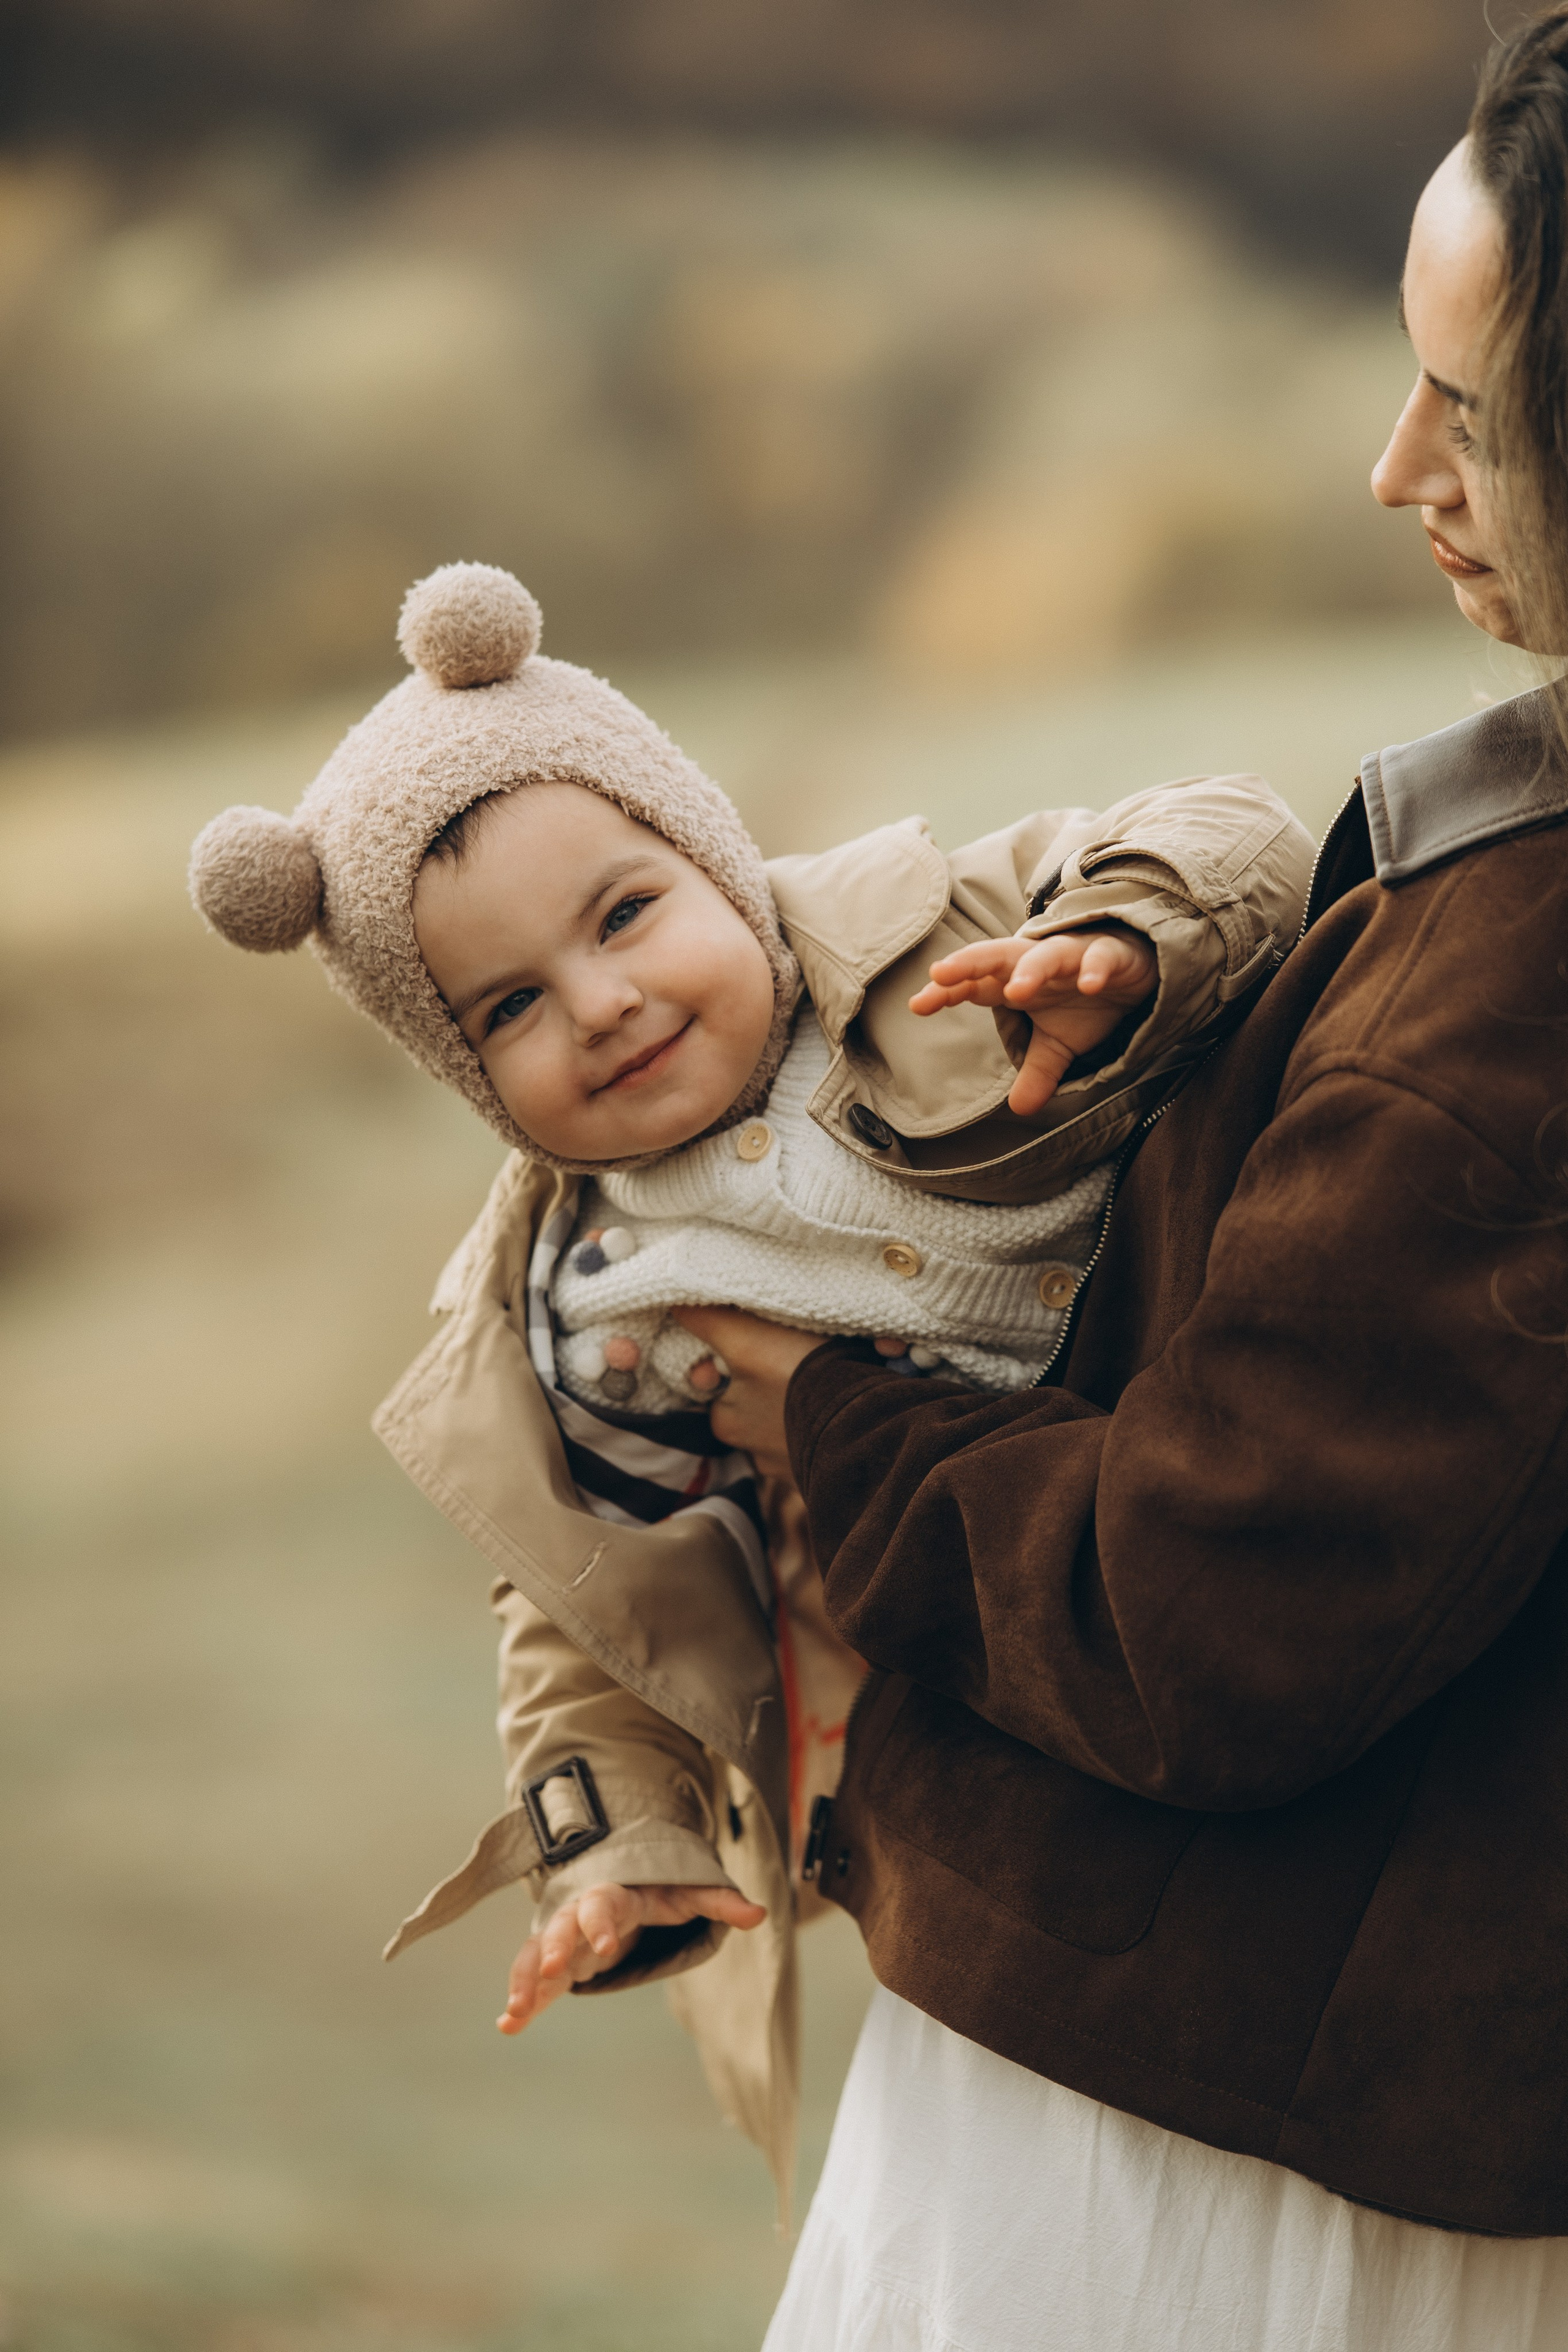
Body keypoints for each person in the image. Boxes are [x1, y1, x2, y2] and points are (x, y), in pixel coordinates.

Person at [686, 13, 1568, 2346]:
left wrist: (827, 1416)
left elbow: (1202, 1621)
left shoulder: (1531, 978)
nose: (1397, 471)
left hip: (1197, 2151)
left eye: (1466, 410)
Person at [186, 561, 1310, 2211]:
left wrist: (1128, 942)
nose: (604, 1002)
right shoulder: (595, 1316)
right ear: (462, 1075)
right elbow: (586, 1609)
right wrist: (621, 1843)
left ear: (707, 849)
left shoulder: (947, 926)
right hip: (1012, 1686)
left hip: (1243, 1470)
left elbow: (1243, 829)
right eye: (508, 1008)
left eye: (625, 913)